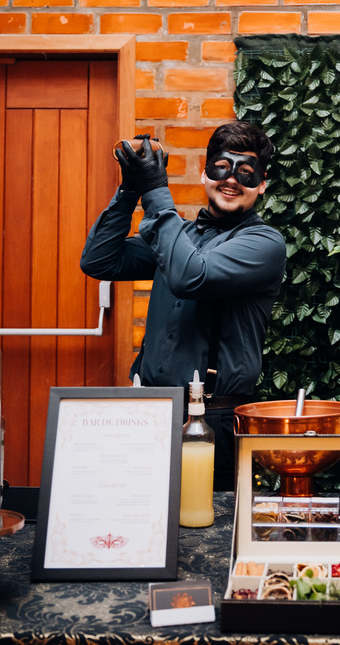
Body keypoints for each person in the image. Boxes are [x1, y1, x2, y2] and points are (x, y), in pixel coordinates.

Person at [80, 121, 286, 490]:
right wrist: (130, 189)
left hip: (212, 420)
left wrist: (156, 192)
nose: (231, 179)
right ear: (205, 173)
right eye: (221, 167)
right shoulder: (180, 235)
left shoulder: (264, 243)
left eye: (246, 172)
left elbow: (192, 275)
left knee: (208, 523)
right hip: (148, 412)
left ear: (262, 184)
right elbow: (99, 260)